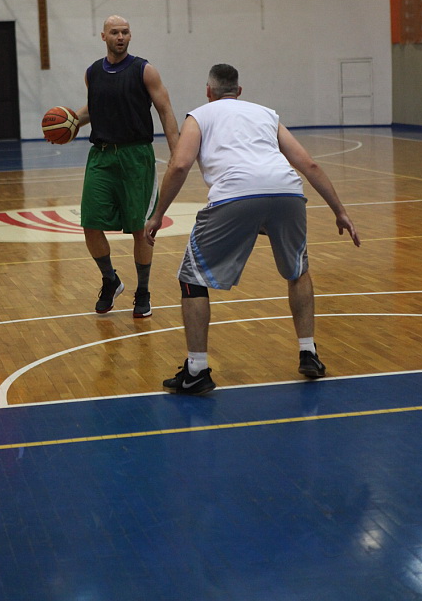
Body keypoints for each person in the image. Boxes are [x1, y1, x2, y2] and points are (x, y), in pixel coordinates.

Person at [145, 63, 361, 394]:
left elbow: (180, 164)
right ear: (239, 91)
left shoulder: (199, 116)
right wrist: (340, 211)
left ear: (208, 91)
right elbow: (308, 163)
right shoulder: (266, 114)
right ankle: (309, 352)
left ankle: (197, 370)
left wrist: (158, 214)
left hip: (235, 193)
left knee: (192, 278)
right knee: (297, 270)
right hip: (287, 191)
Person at [75, 15, 179, 318]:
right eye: (115, 32)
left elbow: (165, 109)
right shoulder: (93, 72)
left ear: (130, 36)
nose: (120, 37)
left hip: (136, 157)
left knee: (140, 228)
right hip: (101, 156)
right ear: (103, 36)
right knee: (90, 224)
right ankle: (110, 280)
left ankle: (143, 292)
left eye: (125, 32)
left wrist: (177, 153)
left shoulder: (144, 70)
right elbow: (94, 109)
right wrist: (70, 122)